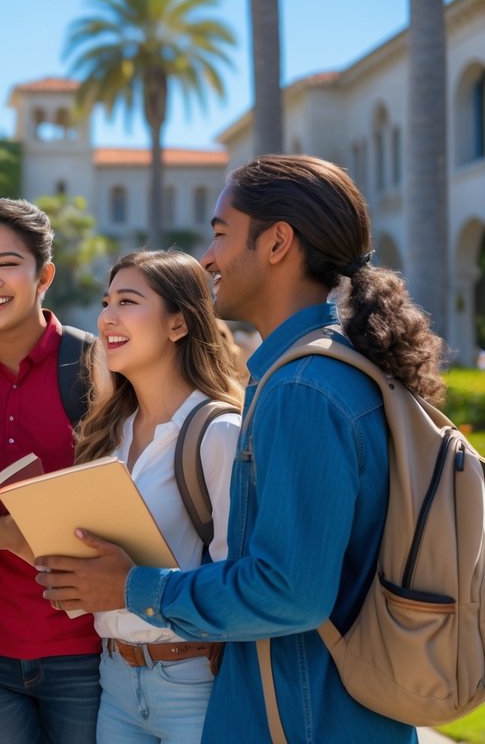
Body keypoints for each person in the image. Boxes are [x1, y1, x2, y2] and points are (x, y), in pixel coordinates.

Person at [48, 154, 440, 742]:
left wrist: (132, 587)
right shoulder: (310, 374)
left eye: (221, 233)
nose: (208, 257)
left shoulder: (303, 388)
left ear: (278, 242)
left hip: (307, 716)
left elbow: (291, 592)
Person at [0, 198, 101, 744]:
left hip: (85, 648)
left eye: (7, 262)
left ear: (44, 275)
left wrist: (16, 533)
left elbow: (129, 503)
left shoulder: (98, 370)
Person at [65, 250, 242, 743]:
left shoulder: (220, 433)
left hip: (194, 682)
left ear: (179, 324)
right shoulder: (107, 435)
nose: (106, 317)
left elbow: (238, 584)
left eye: (128, 300)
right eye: (106, 302)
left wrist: (130, 585)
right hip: (115, 679)